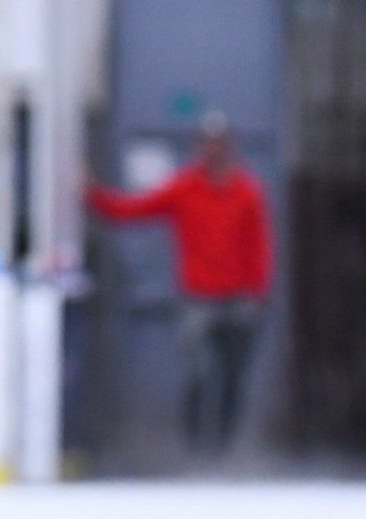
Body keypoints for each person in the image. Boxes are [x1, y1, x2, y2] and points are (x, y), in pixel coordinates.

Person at [86, 112, 273, 456]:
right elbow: (134, 208)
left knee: (234, 373)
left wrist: (257, 292)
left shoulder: (247, 191)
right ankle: (195, 440)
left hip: (238, 297)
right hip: (198, 297)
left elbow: (258, 245)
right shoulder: (185, 187)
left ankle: (224, 442)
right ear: (200, 147)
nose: (214, 150)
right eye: (208, 143)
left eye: (220, 143)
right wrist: (92, 196)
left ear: (229, 147)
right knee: (199, 370)